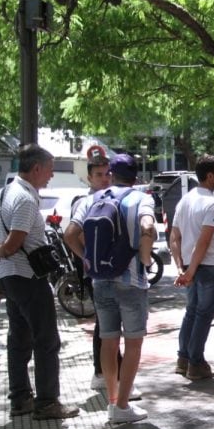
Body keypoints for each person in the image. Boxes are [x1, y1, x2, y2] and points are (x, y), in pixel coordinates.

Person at [0, 144, 80, 420]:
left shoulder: (3, 195)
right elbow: (12, 242)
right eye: (50, 169)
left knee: (19, 339)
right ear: (36, 168)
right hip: (28, 277)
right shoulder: (25, 199)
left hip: (10, 278)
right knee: (46, 339)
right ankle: (48, 402)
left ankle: (21, 398)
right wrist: (0, 253)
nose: (51, 175)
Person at [66, 153, 155, 423]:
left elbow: (69, 233)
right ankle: (123, 407)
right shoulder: (142, 198)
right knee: (134, 342)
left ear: (111, 174)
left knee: (108, 340)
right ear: (135, 176)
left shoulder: (92, 199)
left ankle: (112, 401)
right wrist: (145, 257)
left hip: (100, 279)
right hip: (131, 282)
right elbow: (147, 226)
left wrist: (86, 259)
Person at [68, 154, 137, 396]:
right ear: (89, 177)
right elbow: (71, 235)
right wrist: (87, 258)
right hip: (98, 274)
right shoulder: (87, 202)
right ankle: (103, 375)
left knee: (108, 328)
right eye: (99, 175)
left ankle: (110, 377)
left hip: (109, 271)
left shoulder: (112, 199)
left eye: (107, 173)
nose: (105, 178)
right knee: (106, 329)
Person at [170, 155, 214, 379]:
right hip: (208, 266)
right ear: (210, 175)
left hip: (189, 265)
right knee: (203, 314)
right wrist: (190, 271)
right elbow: (203, 242)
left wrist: (181, 268)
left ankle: (183, 359)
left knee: (192, 312)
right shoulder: (212, 203)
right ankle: (196, 363)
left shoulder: (185, 200)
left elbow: (174, 237)